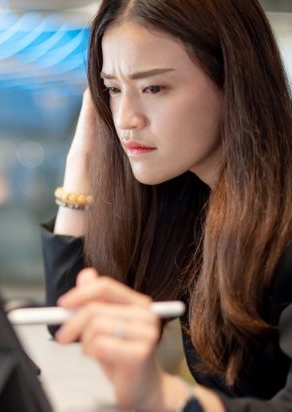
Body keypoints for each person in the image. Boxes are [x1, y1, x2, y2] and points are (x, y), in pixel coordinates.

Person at [42, 0, 292, 410]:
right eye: (113, 89)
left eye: (154, 88)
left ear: (234, 80)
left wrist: (165, 398)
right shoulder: (188, 195)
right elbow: (71, 326)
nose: (125, 118)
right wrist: (80, 163)